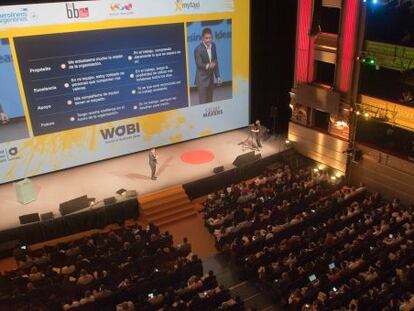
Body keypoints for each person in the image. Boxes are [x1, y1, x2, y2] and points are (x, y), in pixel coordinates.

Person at [194, 27, 222, 104]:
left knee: (210, 102)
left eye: (210, 38)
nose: (208, 40)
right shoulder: (198, 49)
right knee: (203, 103)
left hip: (210, 79)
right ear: (203, 38)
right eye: (206, 38)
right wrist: (209, 65)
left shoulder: (213, 46)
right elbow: (199, 64)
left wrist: (218, 76)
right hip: (202, 80)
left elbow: (215, 61)